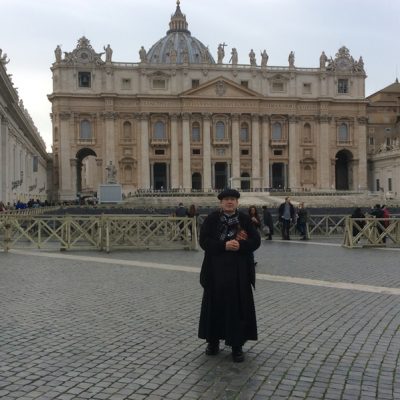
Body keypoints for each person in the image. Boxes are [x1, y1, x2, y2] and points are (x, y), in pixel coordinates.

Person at [198, 189, 260, 362]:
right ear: (221, 203)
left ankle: (237, 345)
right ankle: (213, 341)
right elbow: (204, 241)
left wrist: (240, 246)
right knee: (214, 307)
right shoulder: (211, 219)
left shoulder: (245, 219)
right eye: (226, 199)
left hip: (239, 272)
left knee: (237, 308)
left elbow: (256, 241)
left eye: (232, 199)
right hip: (215, 271)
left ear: (237, 202)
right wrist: (223, 246)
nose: (229, 202)